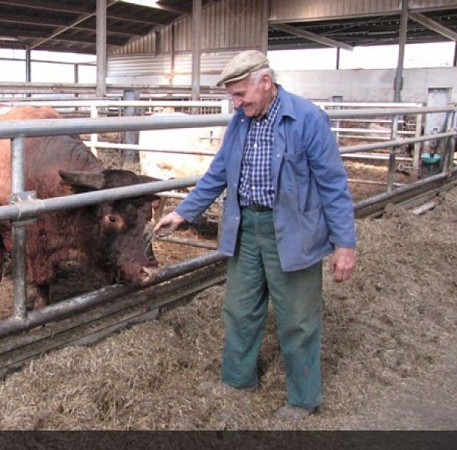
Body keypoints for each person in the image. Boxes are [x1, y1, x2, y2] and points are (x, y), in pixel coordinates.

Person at [154, 49, 357, 420]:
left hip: (294, 231)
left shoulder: (307, 119)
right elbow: (218, 172)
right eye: (232, 95)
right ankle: (237, 380)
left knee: (297, 317)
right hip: (245, 227)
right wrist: (183, 212)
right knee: (240, 308)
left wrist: (345, 243)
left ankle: (302, 399)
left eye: (239, 93)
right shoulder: (240, 122)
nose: (236, 102)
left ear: (265, 82)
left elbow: (333, 184)